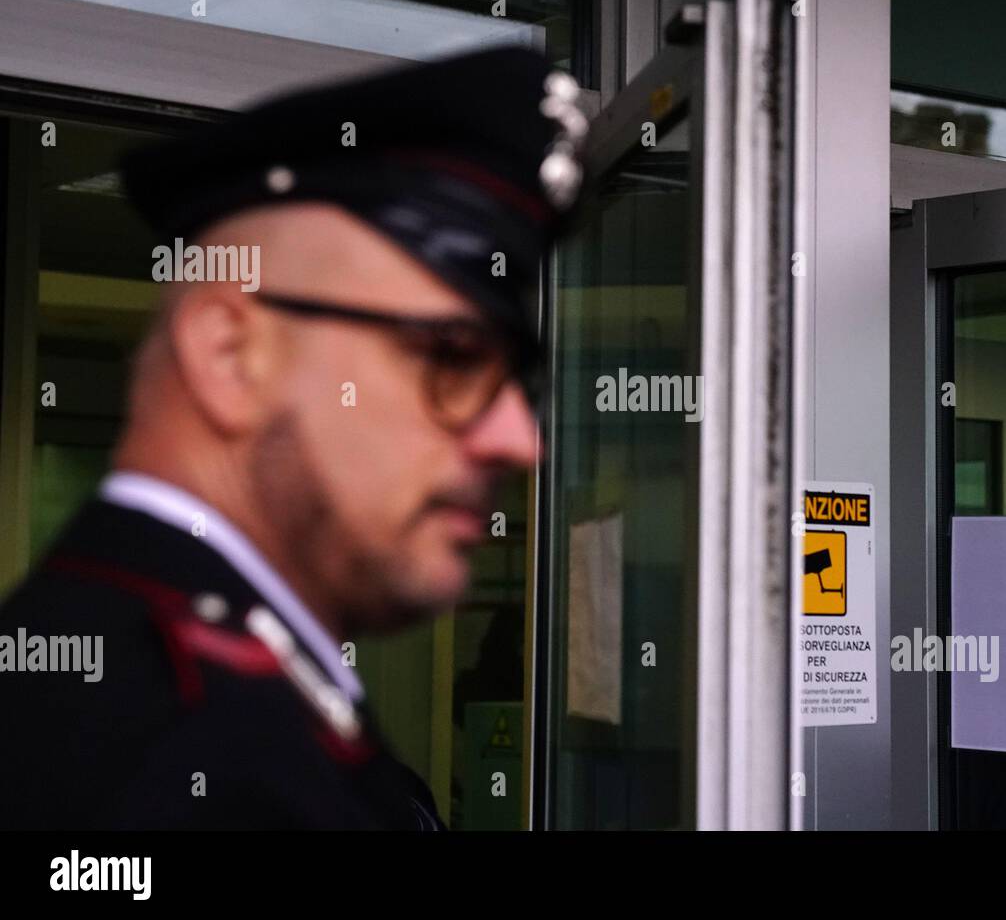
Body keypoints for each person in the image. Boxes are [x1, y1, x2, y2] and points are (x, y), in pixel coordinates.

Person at [0, 45, 587, 829]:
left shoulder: (225, 688)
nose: (518, 438)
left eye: (519, 381)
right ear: (230, 355)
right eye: (451, 356)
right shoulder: (139, 751)